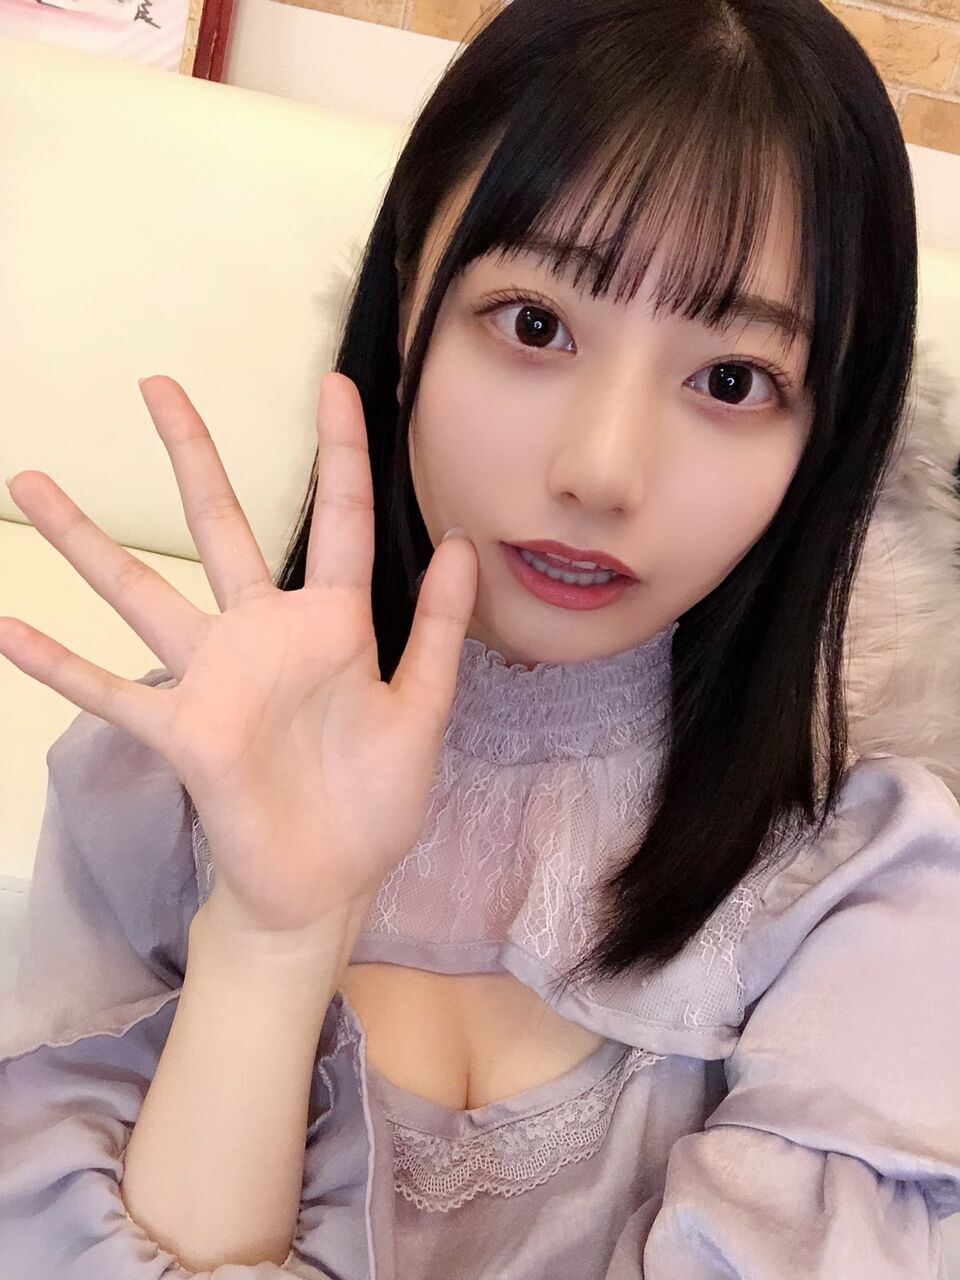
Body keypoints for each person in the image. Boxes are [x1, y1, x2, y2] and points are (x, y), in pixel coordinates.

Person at [2, 0, 959, 1275]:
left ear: (823, 440)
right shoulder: (170, 776)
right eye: (536, 323)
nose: (602, 469)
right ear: (406, 309)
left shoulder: (866, 883)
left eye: (732, 380)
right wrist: (270, 945)